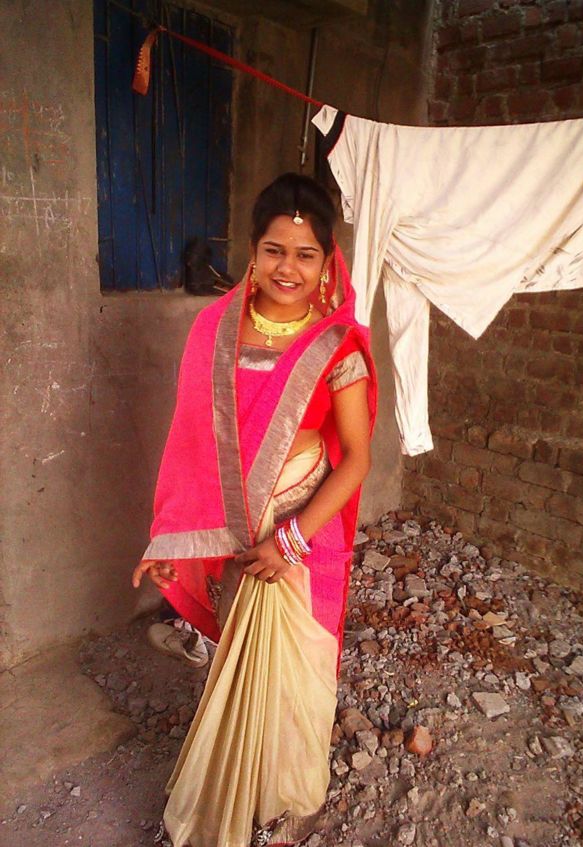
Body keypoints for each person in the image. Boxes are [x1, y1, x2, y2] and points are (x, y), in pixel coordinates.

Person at [132, 173, 377, 847]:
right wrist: (172, 540)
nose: (287, 268)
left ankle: (284, 798)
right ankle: (233, 797)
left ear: (327, 262)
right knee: (243, 666)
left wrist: (291, 541)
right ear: (252, 249)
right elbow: (191, 446)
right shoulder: (215, 330)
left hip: (303, 534)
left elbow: (356, 458)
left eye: (305, 254)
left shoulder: (337, 344)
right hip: (242, 534)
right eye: (274, 250)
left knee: (298, 673)